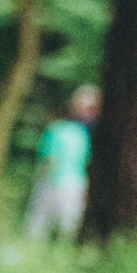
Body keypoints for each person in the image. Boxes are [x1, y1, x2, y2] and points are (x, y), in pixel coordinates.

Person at [23, 85, 98, 242]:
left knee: (39, 225)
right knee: (68, 229)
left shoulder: (56, 130)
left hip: (59, 182)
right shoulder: (80, 133)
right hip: (74, 183)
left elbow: (48, 159)